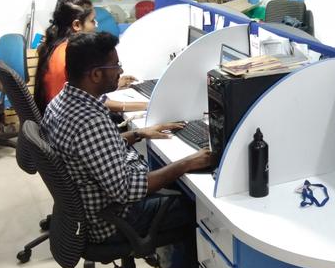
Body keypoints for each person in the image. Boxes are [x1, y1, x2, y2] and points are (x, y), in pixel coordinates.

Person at [41, 31, 216, 244]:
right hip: (113, 221)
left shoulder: (60, 102)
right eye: (115, 65)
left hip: (90, 209)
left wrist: (138, 133)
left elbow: (94, 152)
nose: (120, 71)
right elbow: (127, 190)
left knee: (174, 182)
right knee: (197, 205)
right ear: (95, 75)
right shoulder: (90, 122)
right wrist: (187, 163)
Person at [34, 0, 140, 113]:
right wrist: (145, 105)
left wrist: (113, 83)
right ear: (77, 25)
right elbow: (95, 101)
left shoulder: (57, 47)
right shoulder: (69, 55)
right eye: (92, 21)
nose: (96, 26)